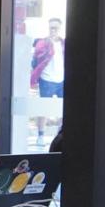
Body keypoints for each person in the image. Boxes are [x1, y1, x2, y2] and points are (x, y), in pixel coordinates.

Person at [29, 17, 65, 146]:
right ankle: (40, 135)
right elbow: (37, 58)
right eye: (51, 27)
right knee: (43, 109)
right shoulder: (43, 43)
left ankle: (61, 134)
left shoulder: (63, 43)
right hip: (47, 79)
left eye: (56, 28)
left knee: (64, 108)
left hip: (61, 79)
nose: (53, 30)